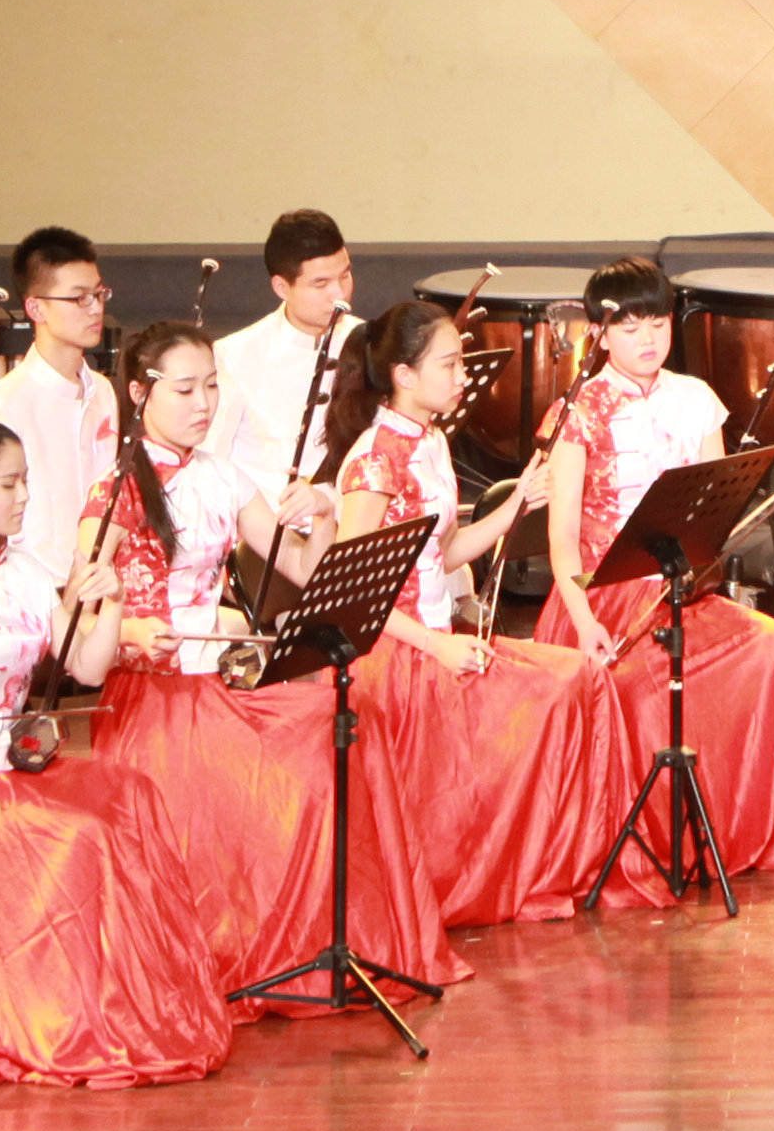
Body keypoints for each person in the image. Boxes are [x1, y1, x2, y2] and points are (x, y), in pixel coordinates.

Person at [84, 321, 471, 1012]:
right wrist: (129, 626)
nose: (203, 404)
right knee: (260, 789)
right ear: (139, 393)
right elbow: (78, 605)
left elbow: (304, 570)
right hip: (153, 697)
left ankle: (321, 942)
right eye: (184, 390)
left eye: (211, 387)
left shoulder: (221, 476)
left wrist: (318, 513)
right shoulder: (118, 487)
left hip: (217, 683)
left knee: (338, 730)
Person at [0, 418, 229, 1088]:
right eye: (9, 484)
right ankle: (65, 1010)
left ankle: (119, 1006)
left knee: (131, 798)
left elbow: (85, 666)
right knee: (82, 837)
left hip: (10, 770)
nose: (25, 496)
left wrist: (110, 602)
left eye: (25, 480)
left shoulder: (23, 570)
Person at [532, 256, 774, 888]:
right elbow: (562, 542)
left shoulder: (696, 398)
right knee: (648, 686)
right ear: (599, 334)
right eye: (629, 328)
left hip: (683, 591)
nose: (647, 339)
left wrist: (704, 561)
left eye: (657, 324)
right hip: (602, 599)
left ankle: (742, 830)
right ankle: (653, 844)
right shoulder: (578, 411)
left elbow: (713, 519)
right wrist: (585, 623)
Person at [329, 300, 634, 926]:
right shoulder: (374, 459)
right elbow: (352, 593)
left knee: (575, 680)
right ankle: (486, 879)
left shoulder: (432, 441)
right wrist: (437, 645)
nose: (463, 376)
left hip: (438, 638)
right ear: (404, 375)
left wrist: (517, 502)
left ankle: (535, 868)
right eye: (449, 365)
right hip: (396, 655)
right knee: (557, 687)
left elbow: (439, 554)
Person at [0, 228, 124, 585]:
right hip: (34, 590)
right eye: (79, 297)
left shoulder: (103, 390)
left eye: (99, 294)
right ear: (36, 308)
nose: (96, 307)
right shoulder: (2, 407)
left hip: (97, 583)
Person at [209, 209, 365, 511]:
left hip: (355, 521)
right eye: (321, 284)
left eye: (345, 275)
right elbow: (211, 462)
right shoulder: (234, 355)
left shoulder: (368, 340)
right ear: (282, 287)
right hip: (272, 526)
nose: (339, 294)